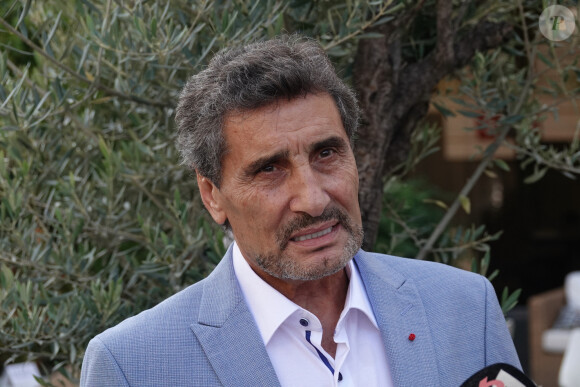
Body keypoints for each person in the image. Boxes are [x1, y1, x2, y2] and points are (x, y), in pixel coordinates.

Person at [80, 35, 521, 387]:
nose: (313, 199)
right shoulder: (133, 366)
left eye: (327, 153)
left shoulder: (465, 309)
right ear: (212, 195)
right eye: (269, 169)